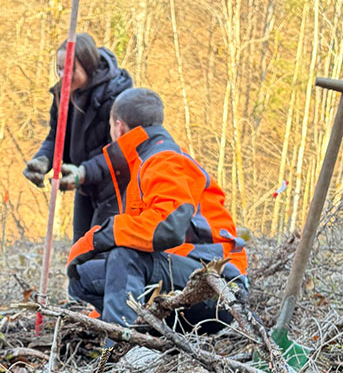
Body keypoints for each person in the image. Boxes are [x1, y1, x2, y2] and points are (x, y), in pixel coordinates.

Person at [63, 88, 248, 330]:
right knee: (83, 276)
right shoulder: (146, 162)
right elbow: (141, 247)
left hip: (221, 288)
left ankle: (121, 347)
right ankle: (137, 331)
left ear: (119, 127)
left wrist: (98, 237)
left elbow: (167, 228)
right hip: (185, 278)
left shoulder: (165, 160)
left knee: (124, 256)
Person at [22, 34, 132, 239]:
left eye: (70, 69)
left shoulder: (115, 99)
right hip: (85, 186)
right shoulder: (63, 93)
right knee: (80, 248)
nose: (63, 76)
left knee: (100, 246)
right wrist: (43, 160)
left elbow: (120, 152)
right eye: (59, 68)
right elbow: (56, 137)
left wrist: (83, 172)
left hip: (115, 190)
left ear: (88, 67)